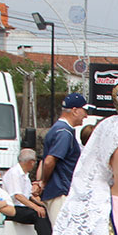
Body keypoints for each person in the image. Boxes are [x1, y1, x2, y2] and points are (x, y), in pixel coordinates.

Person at [39, 93, 87, 224]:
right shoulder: (64, 133)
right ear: (75, 111)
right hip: (60, 191)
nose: (86, 115)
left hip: (59, 190)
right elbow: (49, 161)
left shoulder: (60, 130)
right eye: (84, 110)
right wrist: (43, 182)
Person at [3, 147, 52, 235]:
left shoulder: (25, 175)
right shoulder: (14, 173)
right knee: (37, 213)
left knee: (45, 211)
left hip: (22, 206)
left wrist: (43, 204)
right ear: (30, 162)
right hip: (13, 208)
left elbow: (29, 195)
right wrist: (36, 207)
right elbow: (18, 196)